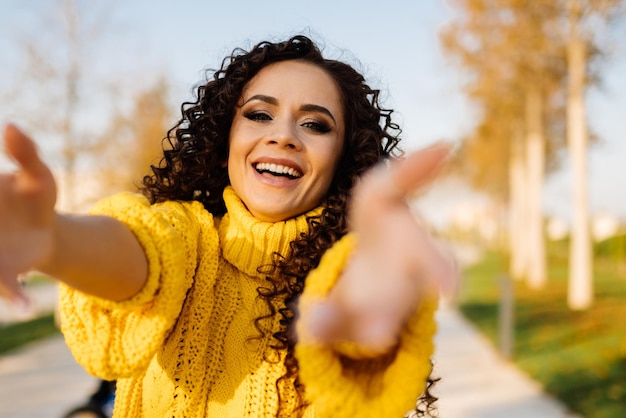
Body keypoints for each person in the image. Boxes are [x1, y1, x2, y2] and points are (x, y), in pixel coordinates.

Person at [0, 35, 457, 417]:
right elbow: (136, 253)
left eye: (315, 125)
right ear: (224, 141)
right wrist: (54, 239)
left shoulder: (345, 270)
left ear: (342, 161)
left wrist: (373, 302)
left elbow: (362, 310)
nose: (282, 135)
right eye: (259, 114)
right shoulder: (185, 236)